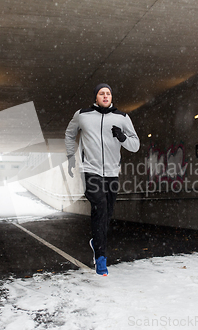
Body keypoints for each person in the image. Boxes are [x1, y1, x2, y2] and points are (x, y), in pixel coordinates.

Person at [65, 83, 140, 275]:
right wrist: (70, 156)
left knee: (107, 213)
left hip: (112, 172)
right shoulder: (82, 115)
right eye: (101, 93)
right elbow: (69, 133)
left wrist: (122, 137)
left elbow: (136, 145)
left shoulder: (122, 118)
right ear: (96, 97)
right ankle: (100, 257)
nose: (105, 96)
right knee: (99, 206)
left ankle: (96, 241)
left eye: (108, 93)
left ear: (111, 97)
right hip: (90, 170)